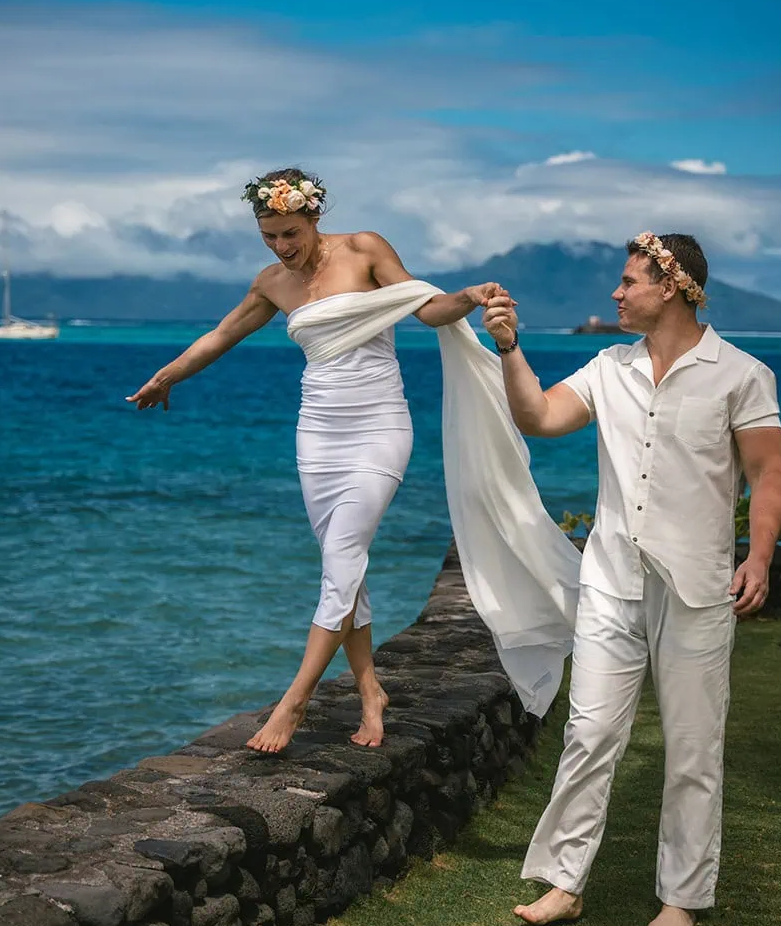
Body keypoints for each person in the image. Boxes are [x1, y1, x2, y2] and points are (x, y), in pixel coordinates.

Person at [127, 168, 509, 754]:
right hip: (318, 436)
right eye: (269, 236)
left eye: (290, 233)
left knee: (343, 558)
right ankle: (370, 692)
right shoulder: (273, 284)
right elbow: (220, 335)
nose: (283, 246)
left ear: (313, 217)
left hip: (381, 427)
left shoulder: (365, 250)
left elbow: (424, 307)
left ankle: (294, 702)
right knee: (341, 563)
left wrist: (469, 296)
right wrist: (166, 375)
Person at [483, 232, 781, 926]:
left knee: (691, 745)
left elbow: (768, 474)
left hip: (699, 588)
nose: (615, 295)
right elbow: (539, 417)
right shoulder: (606, 368)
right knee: (587, 733)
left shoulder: (740, 374)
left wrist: (760, 556)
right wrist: (507, 349)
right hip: (611, 579)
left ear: (671, 285)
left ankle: (680, 898)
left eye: (627, 282)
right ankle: (562, 884)